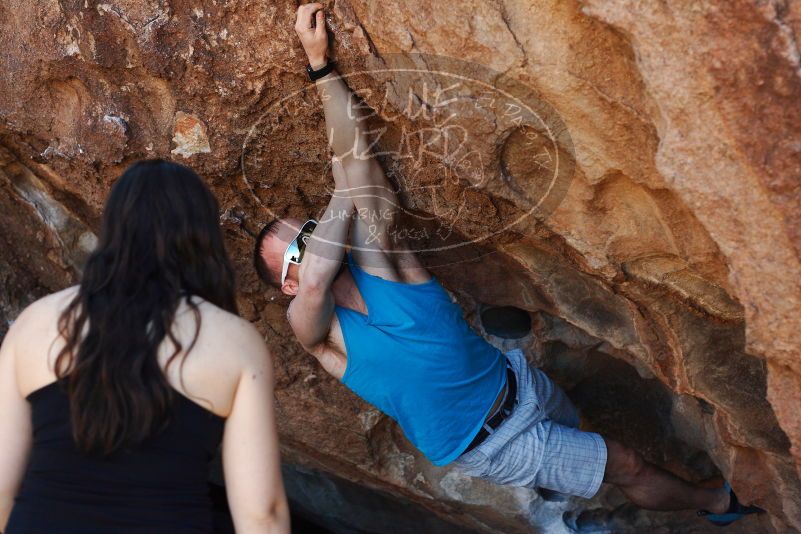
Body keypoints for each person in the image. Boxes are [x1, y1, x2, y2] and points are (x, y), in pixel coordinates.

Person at [253, 3, 762, 527]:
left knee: (580, 436)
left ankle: (564, 508)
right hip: (491, 445)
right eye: (299, 250)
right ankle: (717, 503)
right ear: (288, 284)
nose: (314, 250)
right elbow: (324, 257)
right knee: (625, 463)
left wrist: (320, 66)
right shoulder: (316, 331)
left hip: (517, 382)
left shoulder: (383, 262)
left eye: (311, 232)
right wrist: (343, 193)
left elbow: (356, 156)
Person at [0, 160, 290, 533]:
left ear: (113, 228)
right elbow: (261, 514)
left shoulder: (33, 325)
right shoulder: (235, 344)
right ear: (201, 238)